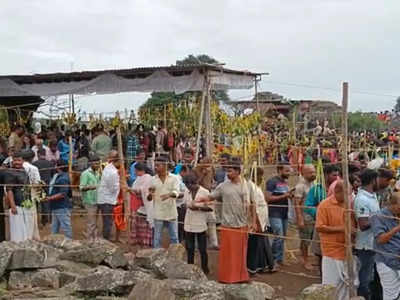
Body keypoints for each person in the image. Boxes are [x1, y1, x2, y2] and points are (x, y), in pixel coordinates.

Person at [198, 157, 253, 283]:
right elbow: (212, 196)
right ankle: (226, 278)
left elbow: (252, 204)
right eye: (227, 171)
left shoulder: (247, 185)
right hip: (228, 224)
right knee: (228, 253)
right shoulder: (222, 186)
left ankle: (241, 277)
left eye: (231, 171)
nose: (228, 174)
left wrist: (252, 221)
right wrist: (202, 199)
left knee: (240, 253)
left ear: (238, 171)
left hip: (242, 224)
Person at [316, 180, 358, 300]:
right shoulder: (324, 205)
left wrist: (353, 232)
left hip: (347, 251)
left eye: (350, 194)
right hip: (331, 252)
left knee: (348, 285)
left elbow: (353, 225)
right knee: (331, 285)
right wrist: (342, 229)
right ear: (337, 192)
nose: (349, 197)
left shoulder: (349, 204)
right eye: (347, 194)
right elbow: (319, 227)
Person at [354, 168, 380, 300]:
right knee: (364, 280)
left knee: (371, 278)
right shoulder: (362, 199)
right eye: (378, 179)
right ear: (373, 180)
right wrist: (380, 218)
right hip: (365, 246)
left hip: (373, 244)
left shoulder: (372, 196)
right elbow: (363, 225)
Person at [371, 192, 400, 300]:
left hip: (398, 258)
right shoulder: (378, 216)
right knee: (390, 295)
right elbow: (380, 239)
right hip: (386, 260)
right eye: (399, 207)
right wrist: (397, 228)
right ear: (392, 205)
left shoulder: (397, 215)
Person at [148, 156, 180, 248]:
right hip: (158, 212)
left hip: (171, 211)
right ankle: (156, 257)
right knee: (157, 238)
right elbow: (149, 198)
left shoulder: (174, 178)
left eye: (158, 165)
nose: (155, 167)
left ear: (165, 166)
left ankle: (175, 257)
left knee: (174, 237)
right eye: (155, 165)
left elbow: (176, 192)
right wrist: (150, 194)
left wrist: (169, 195)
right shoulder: (153, 179)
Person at [247, 167, 274, 275]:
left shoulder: (255, 187)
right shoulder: (251, 187)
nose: (262, 178)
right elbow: (253, 207)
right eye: (260, 176)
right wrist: (256, 222)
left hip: (261, 221)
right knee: (254, 245)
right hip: (256, 221)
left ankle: (261, 266)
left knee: (261, 244)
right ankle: (252, 268)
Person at [182, 172, 211, 274]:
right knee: (189, 248)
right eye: (187, 186)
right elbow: (185, 204)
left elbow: (210, 208)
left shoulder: (205, 192)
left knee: (202, 249)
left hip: (200, 224)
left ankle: (205, 268)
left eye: (190, 186)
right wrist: (186, 207)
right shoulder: (186, 191)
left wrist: (198, 208)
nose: (188, 188)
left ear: (195, 183)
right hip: (189, 223)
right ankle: (190, 268)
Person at [266, 163, 291, 269]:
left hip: (284, 212)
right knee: (279, 236)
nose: (289, 173)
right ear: (280, 170)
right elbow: (267, 198)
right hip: (274, 213)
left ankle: (279, 259)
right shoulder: (272, 182)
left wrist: (289, 195)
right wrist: (284, 195)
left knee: (282, 237)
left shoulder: (284, 182)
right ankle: (272, 259)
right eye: (287, 171)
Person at [5, 152, 33, 242]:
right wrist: (12, 206)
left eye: (19, 160)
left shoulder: (24, 170)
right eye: (15, 160)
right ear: (12, 161)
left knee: (27, 228)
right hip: (16, 205)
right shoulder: (10, 173)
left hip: (26, 203)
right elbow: (9, 190)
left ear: (23, 161)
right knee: (17, 230)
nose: (17, 162)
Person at [294, 164, 316, 270]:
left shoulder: (312, 184)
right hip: (305, 217)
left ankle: (303, 255)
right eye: (310, 172)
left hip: (312, 217)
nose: (313, 174)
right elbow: (297, 203)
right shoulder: (300, 186)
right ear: (303, 173)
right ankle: (305, 260)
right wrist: (300, 218)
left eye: (314, 171)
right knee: (305, 240)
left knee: (308, 239)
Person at [97, 150, 120, 240]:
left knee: (106, 220)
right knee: (108, 221)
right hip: (108, 199)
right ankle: (106, 240)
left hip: (104, 198)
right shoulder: (113, 172)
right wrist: (119, 184)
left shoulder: (107, 168)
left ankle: (106, 237)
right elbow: (113, 188)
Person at [129, 162, 154, 247]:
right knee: (139, 227)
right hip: (138, 207)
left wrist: (131, 190)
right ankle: (140, 244)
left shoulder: (148, 178)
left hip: (145, 207)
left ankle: (145, 245)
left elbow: (143, 190)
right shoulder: (138, 178)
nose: (135, 172)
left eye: (135, 171)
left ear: (140, 170)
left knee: (145, 228)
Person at [46, 159, 72, 239]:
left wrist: (49, 198)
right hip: (56, 205)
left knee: (65, 226)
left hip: (61, 206)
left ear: (58, 166)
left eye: (56, 165)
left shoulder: (63, 178)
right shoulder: (58, 176)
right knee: (55, 226)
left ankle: (69, 242)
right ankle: (53, 240)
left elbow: (62, 194)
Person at [80, 155, 101, 241]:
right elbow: (81, 187)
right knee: (91, 221)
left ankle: (94, 237)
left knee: (95, 221)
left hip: (97, 199)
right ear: (91, 163)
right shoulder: (85, 174)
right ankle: (89, 239)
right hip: (89, 200)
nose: (98, 165)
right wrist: (90, 187)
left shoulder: (98, 173)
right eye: (96, 164)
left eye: (98, 164)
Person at [33, 148, 55, 226]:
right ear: (44, 154)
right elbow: (53, 174)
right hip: (47, 185)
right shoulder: (50, 163)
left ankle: (36, 221)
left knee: (36, 203)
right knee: (45, 203)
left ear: (38, 154)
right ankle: (44, 221)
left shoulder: (34, 163)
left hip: (37, 185)